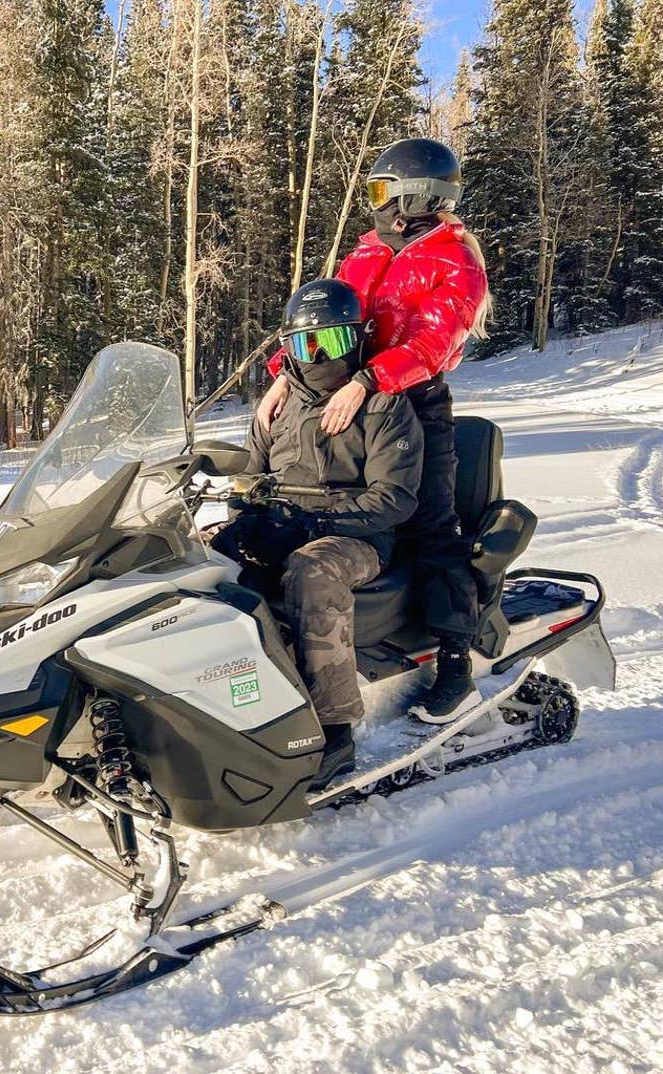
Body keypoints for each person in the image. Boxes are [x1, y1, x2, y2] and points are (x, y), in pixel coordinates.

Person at [256, 137, 490, 724]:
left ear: (420, 194)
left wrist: (369, 380)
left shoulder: (452, 258)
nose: (376, 203)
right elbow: (327, 319)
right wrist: (287, 373)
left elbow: (435, 341)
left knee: (431, 525)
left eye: (385, 191)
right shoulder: (366, 250)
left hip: (411, 395)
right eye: (374, 191)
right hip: (339, 394)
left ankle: (456, 663)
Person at [213, 279, 424, 790]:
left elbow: (394, 498)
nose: (318, 356)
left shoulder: (382, 406)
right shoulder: (276, 407)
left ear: (355, 341)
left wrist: (319, 523)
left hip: (357, 537)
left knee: (313, 572)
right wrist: (244, 516)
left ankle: (333, 730)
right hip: (286, 523)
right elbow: (250, 477)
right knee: (203, 559)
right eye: (306, 345)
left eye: (331, 343)